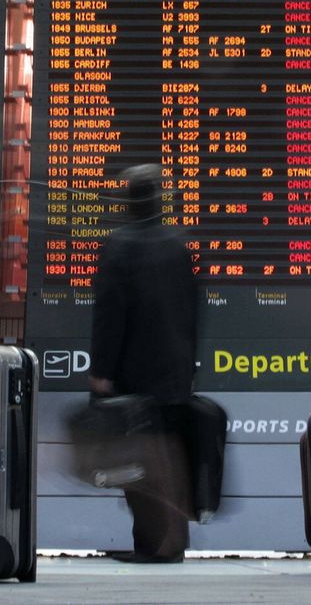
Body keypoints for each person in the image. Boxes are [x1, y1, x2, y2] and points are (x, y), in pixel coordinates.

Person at [89, 164, 198, 563]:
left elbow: (109, 315)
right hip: (175, 372)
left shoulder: (120, 244)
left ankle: (154, 545)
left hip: (136, 374)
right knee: (169, 455)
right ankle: (170, 542)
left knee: (141, 462)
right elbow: (192, 309)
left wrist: (102, 370)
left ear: (128, 201)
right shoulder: (177, 243)